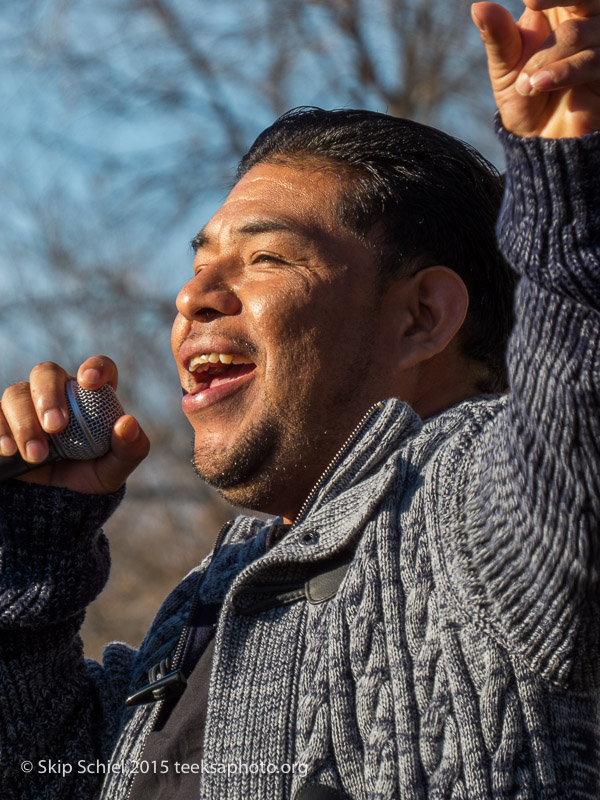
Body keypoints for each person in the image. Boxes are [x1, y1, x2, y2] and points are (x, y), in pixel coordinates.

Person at [1, 0, 599, 797]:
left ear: (422, 316)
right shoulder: (203, 606)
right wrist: (30, 552)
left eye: (268, 258)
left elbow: (573, 440)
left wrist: (569, 193)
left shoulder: (481, 508)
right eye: (199, 263)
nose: (193, 299)